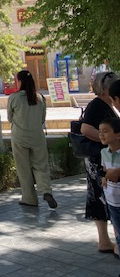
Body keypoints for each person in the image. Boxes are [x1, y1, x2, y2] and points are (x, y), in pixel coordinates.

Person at [81, 71, 120, 254]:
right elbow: (85, 128)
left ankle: (109, 240)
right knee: (101, 196)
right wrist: (107, 140)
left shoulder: (108, 105)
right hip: (99, 159)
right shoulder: (97, 105)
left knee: (106, 197)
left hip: (107, 158)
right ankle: (106, 241)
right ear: (104, 89)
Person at [7, 70, 57, 208]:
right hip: (37, 137)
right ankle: (46, 191)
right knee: (41, 166)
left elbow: (10, 118)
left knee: (23, 168)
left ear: (19, 82)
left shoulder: (14, 98)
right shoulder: (40, 98)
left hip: (19, 137)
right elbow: (42, 119)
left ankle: (29, 198)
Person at [99, 116, 120, 271]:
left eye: (105, 131)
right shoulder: (103, 152)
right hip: (112, 202)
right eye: (100, 131)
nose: (101, 135)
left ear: (118, 135)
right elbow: (104, 171)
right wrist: (104, 178)